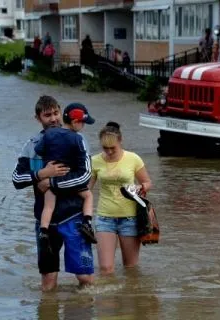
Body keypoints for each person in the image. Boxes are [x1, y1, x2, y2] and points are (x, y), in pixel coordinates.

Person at [12, 95, 94, 291]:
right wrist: (41, 174)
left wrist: (52, 182)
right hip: (44, 223)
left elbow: (85, 177)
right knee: (48, 282)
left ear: (61, 112)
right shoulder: (31, 145)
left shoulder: (77, 140)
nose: (54, 118)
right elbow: (16, 179)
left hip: (74, 217)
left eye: (56, 113)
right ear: (38, 118)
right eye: (47, 115)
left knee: (85, 279)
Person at [89, 122, 152, 275]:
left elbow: (148, 182)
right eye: (105, 148)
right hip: (105, 218)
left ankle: (128, 297)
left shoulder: (133, 158)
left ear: (120, 141)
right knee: (105, 269)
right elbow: (87, 189)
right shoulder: (94, 161)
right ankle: (108, 298)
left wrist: (140, 187)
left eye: (113, 148)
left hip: (130, 218)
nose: (109, 152)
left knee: (130, 268)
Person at [34, 102, 97, 249]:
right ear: (75, 122)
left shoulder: (49, 134)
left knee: (48, 206)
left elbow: (38, 150)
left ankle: (43, 231)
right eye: (83, 123)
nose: (83, 127)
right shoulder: (77, 138)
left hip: (49, 178)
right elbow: (84, 166)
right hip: (68, 180)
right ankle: (87, 223)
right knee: (88, 196)